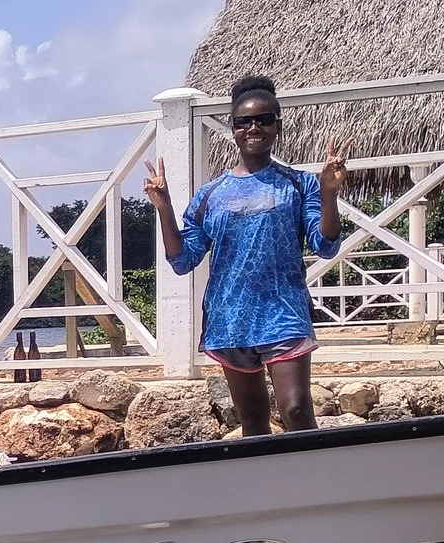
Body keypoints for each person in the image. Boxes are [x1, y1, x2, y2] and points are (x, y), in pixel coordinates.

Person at [143, 74, 349, 436]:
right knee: (253, 424)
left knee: (297, 409)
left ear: (277, 127)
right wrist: (164, 208)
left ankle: (316, 486)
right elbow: (182, 259)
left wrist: (329, 193)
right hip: (229, 320)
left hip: (284, 312)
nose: (254, 128)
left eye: (263, 120)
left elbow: (325, 244)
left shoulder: (300, 184)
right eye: (244, 122)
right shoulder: (210, 195)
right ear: (233, 130)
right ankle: (269, 491)